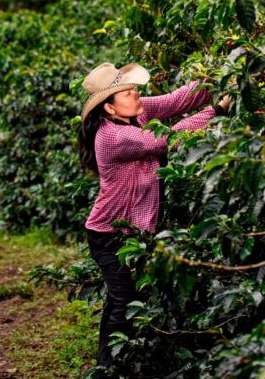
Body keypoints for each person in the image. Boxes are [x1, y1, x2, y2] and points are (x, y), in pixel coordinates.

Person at [76, 62, 231, 375]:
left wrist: (214, 77)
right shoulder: (112, 136)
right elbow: (167, 139)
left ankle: (106, 363)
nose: (136, 93)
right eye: (127, 92)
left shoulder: (138, 110)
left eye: (132, 88)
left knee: (119, 300)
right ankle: (110, 369)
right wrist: (216, 110)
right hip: (108, 234)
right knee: (125, 300)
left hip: (133, 232)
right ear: (109, 107)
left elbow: (176, 101)